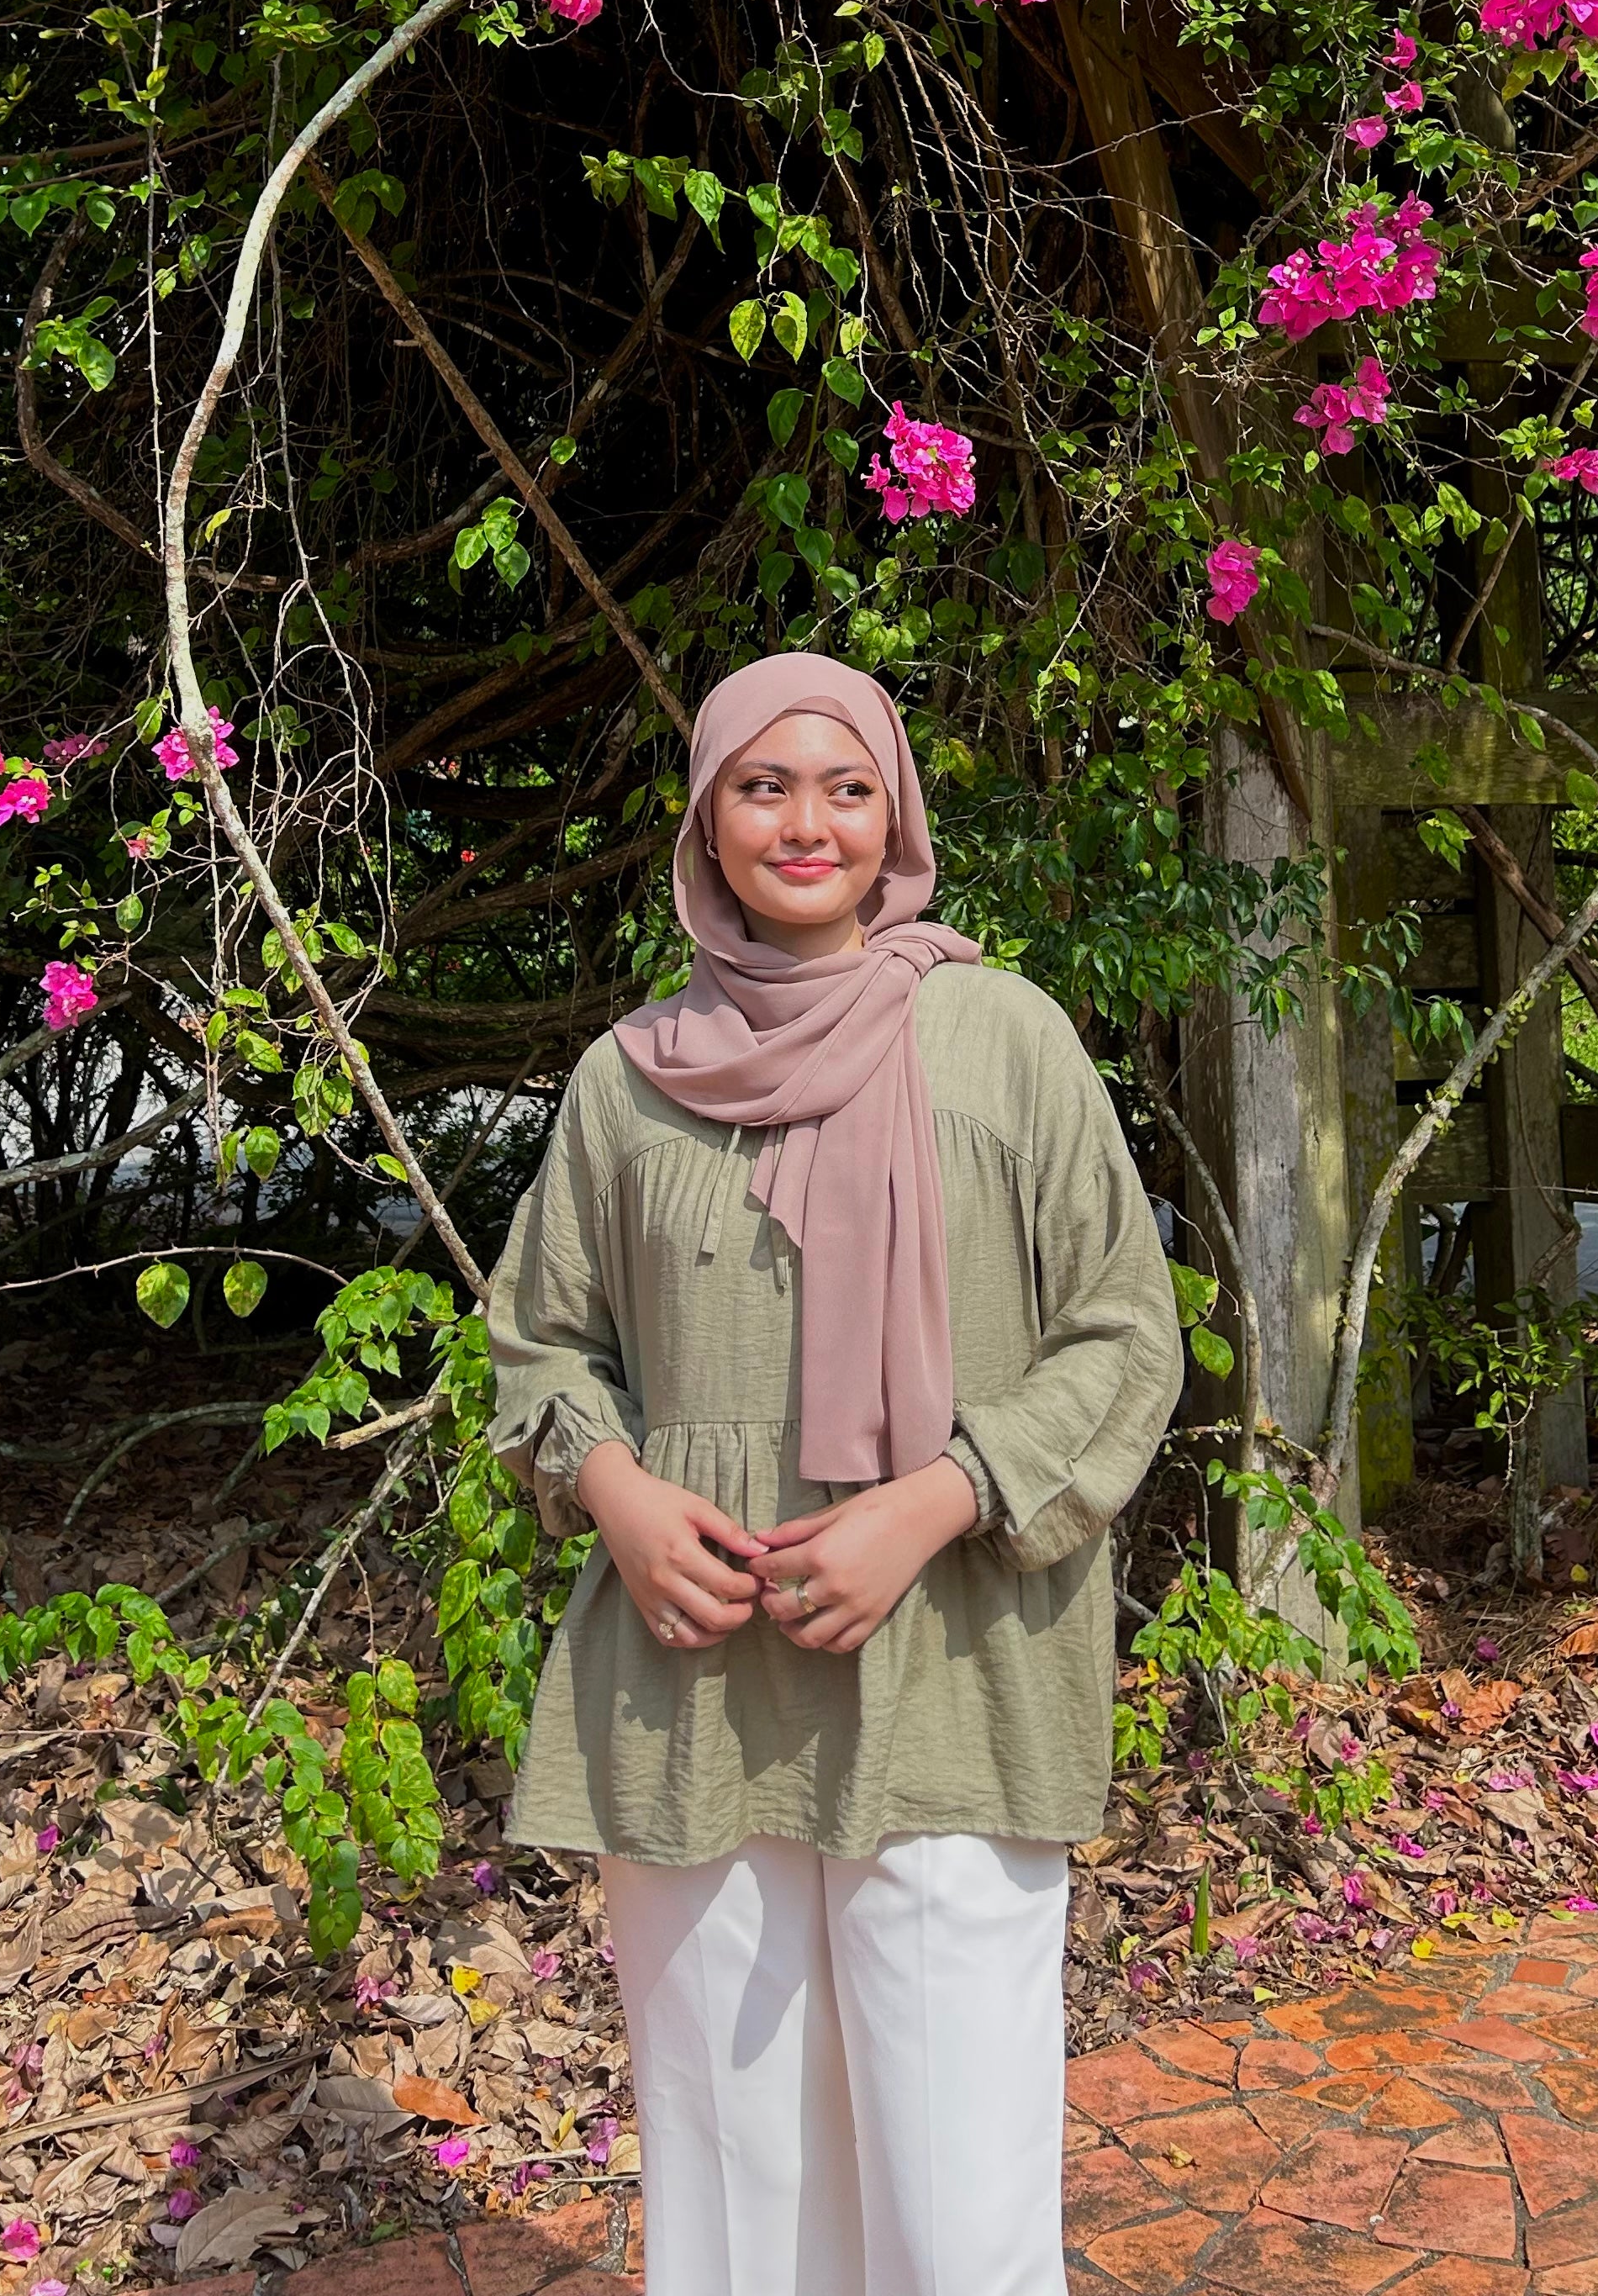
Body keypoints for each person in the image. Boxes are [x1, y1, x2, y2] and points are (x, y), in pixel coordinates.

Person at [488, 650, 1184, 2296]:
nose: (809, 822)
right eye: (765, 786)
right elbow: (539, 1346)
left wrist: (936, 1499)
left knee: (958, 2215)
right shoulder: (626, 1082)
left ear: (897, 818)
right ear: (707, 825)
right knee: (735, 2200)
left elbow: (1120, 1339)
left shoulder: (1002, 1042)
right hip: (695, 1682)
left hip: (955, 1664)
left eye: (846, 787)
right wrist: (617, 1491)